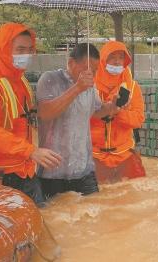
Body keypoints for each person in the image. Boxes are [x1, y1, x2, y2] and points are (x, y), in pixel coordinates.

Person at [0, 23, 61, 206]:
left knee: (42, 219)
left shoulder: (20, 80)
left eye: (30, 49)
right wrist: (32, 151)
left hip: (22, 169)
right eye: (20, 49)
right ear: (4, 48)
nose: (26, 54)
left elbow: (26, 117)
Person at [36, 43, 115, 199]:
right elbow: (44, 114)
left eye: (94, 70)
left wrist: (114, 105)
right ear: (71, 63)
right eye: (87, 69)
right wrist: (77, 88)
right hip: (53, 171)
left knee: (95, 216)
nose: (91, 73)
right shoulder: (49, 79)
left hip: (84, 168)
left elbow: (97, 111)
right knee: (56, 217)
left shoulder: (90, 87)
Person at [91, 41, 146, 184]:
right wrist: (105, 109)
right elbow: (80, 118)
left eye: (121, 57)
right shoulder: (89, 86)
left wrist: (118, 112)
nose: (116, 61)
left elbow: (138, 119)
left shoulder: (133, 87)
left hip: (125, 154)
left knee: (137, 195)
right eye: (112, 57)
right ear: (103, 60)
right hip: (95, 155)